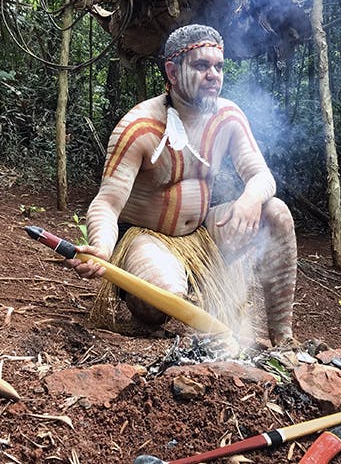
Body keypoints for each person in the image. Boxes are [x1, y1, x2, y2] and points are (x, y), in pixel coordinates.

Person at [67, 24, 296, 346]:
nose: (214, 75)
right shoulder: (139, 126)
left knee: (276, 212)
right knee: (164, 299)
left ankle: (283, 338)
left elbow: (262, 176)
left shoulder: (228, 117)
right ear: (173, 73)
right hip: (148, 239)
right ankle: (146, 289)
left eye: (219, 66)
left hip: (204, 235)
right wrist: (102, 249)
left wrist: (249, 200)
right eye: (201, 66)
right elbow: (107, 202)